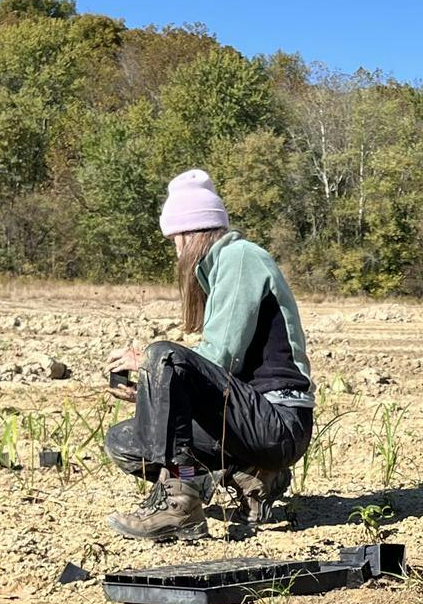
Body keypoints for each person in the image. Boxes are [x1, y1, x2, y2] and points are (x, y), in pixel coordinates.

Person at [105, 170, 315, 541]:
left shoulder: (239, 259)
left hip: (279, 421)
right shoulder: (221, 269)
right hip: (251, 423)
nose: (175, 250)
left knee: (164, 356)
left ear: (188, 233)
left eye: (174, 240)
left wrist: (152, 364)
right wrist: (150, 394)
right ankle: (251, 475)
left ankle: (180, 504)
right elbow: (211, 383)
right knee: (127, 441)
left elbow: (218, 358)